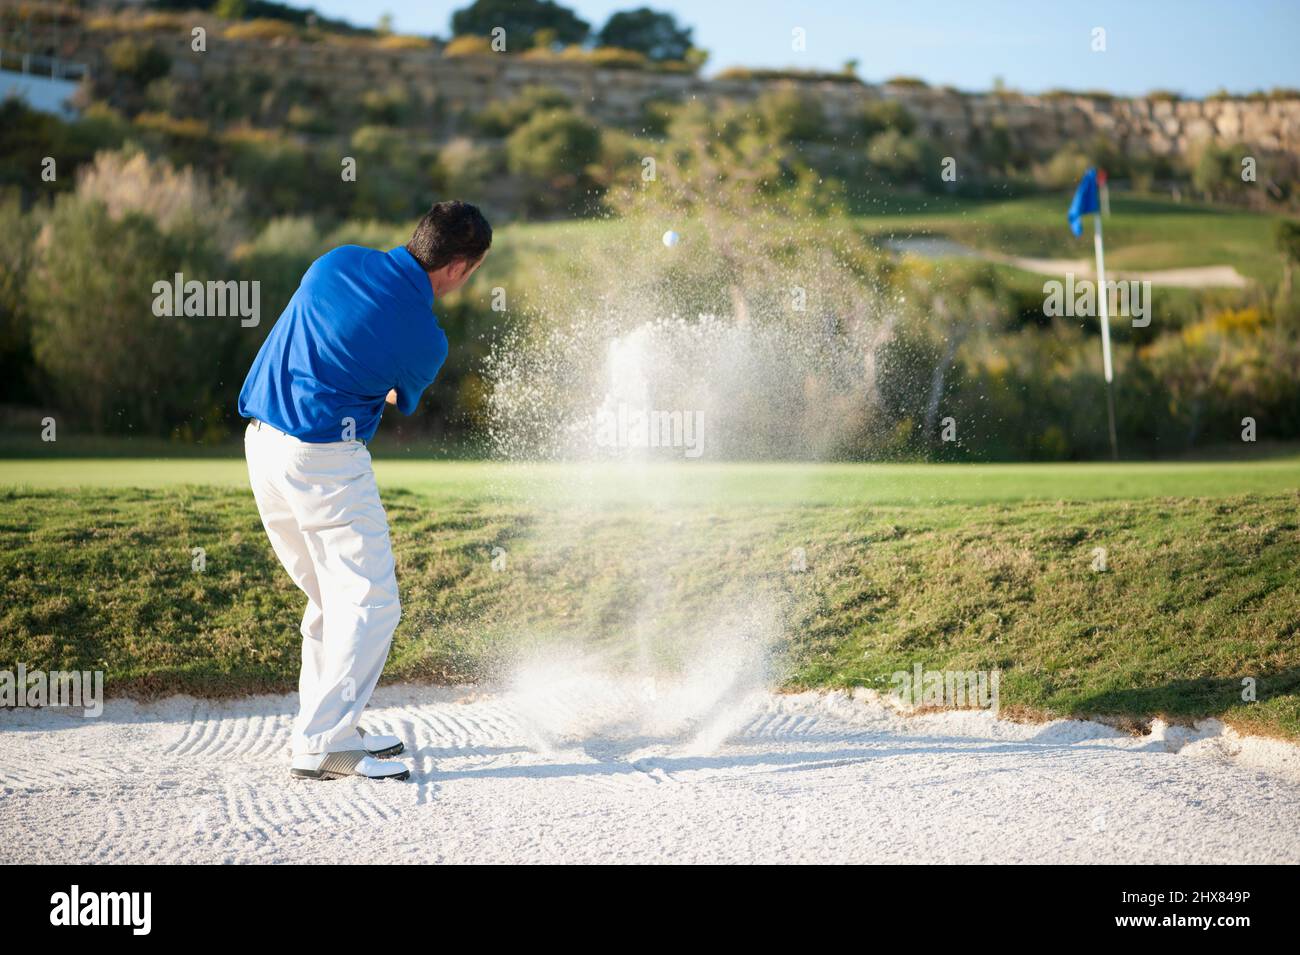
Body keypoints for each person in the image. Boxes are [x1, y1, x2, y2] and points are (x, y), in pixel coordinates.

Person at [238, 200, 491, 781]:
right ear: (457, 268)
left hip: (262, 448)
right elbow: (399, 398)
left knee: (332, 598)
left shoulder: (335, 261)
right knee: (373, 604)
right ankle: (324, 743)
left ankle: (324, 728)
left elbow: (310, 332)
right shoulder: (426, 339)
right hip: (324, 460)